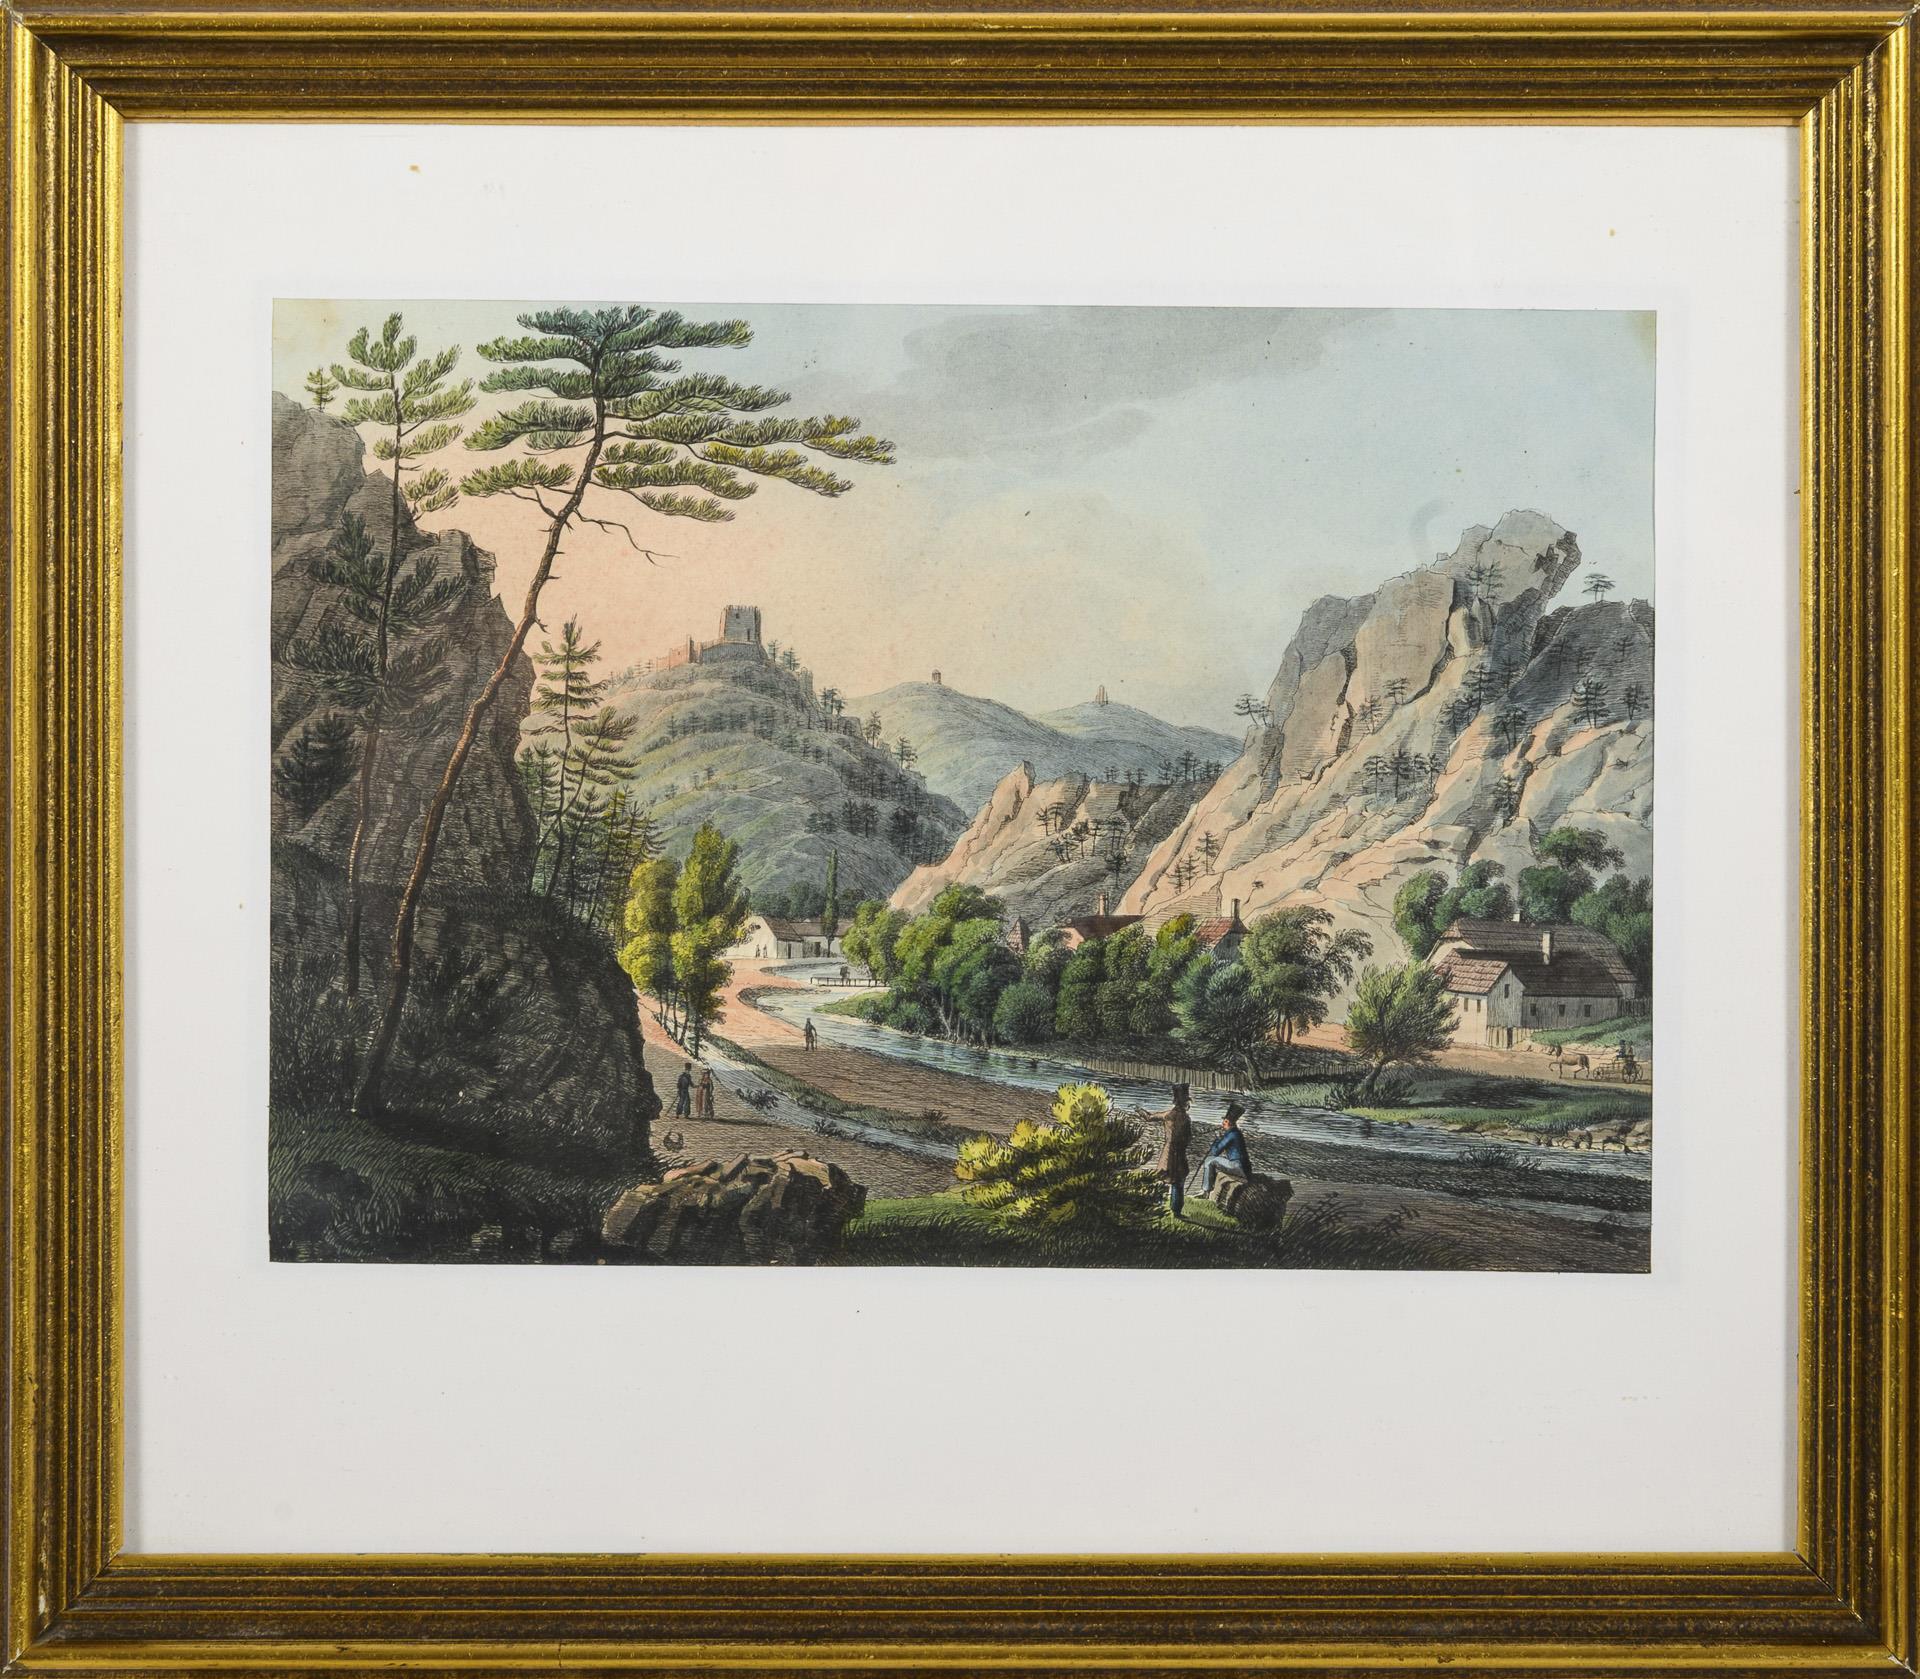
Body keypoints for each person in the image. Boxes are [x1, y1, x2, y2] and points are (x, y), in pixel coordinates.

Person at [1148, 1082, 1193, 1218]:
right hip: (1179, 1154)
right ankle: (1176, 1212)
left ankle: (1157, 1205)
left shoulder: (1167, 1115)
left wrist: (1139, 1110)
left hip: (1167, 1153)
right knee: (1178, 1182)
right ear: (1185, 1102)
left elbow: (1149, 1117)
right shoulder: (1186, 1118)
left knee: (1162, 1178)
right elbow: (1188, 1138)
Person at [1197, 1103, 1254, 1198]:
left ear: (1231, 1123)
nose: (1223, 1123)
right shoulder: (1236, 1133)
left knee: (1209, 1160)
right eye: (1224, 1120)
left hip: (1237, 1166)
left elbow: (1215, 1152)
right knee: (1213, 1160)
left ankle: (1206, 1192)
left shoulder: (1231, 1134)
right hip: (1244, 1167)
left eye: (1226, 1121)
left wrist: (1217, 1139)